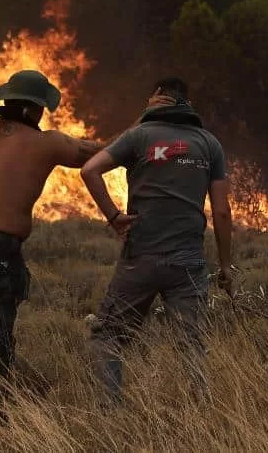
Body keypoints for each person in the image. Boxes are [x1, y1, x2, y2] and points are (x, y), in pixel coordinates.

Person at [0, 69, 170, 410]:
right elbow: (106, 151)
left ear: (6, 100)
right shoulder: (48, 143)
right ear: (38, 108)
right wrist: (145, 121)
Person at [79, 77, 234, 404]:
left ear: (161, 97)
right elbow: (221, 212)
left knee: (107, 336)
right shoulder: (209, 143)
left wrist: (113, 216)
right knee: (191, 344)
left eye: (150, 98)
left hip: (141, 258)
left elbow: (90, 169)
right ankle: (201, 416)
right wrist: (225, 266)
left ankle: (108, 413)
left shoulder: (138, 136)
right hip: (189, 263)